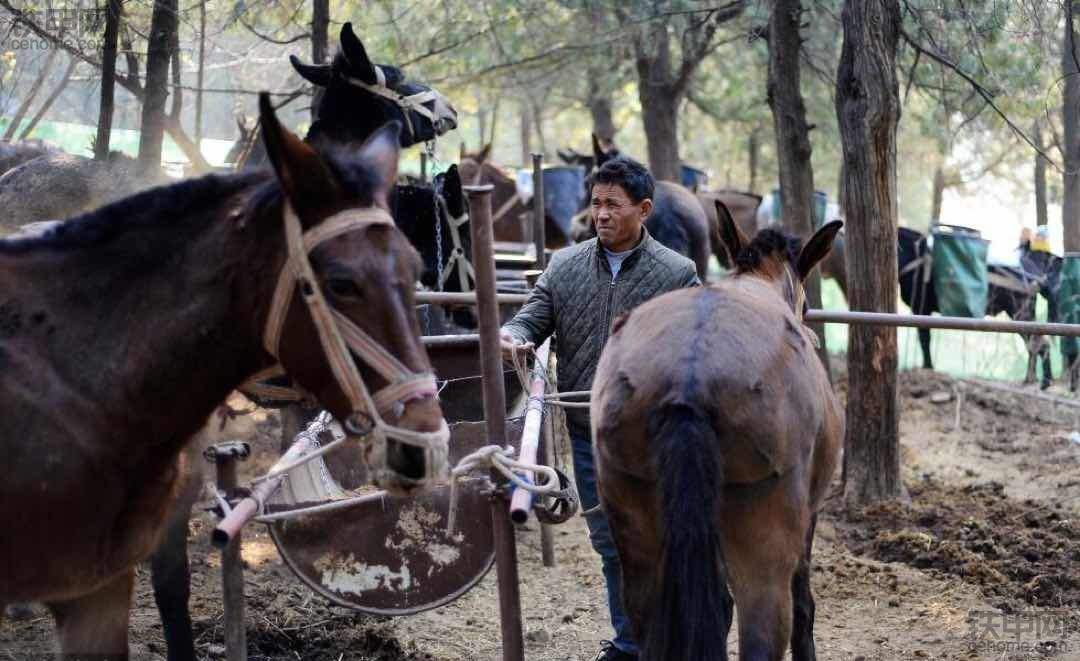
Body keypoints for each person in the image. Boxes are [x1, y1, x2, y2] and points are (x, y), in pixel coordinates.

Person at [499, 156, 700, 661]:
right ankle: (631, 643)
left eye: (613, 204)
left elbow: (698, 343)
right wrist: (514, 337)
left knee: (665, 538)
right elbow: (531, 318)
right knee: (611, 542)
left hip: (655, 434)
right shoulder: (564, 265)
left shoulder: (678, 274)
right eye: (595, 203)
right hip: (589, 431)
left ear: (644, 209)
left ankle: (673, 638)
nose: (602, 214)